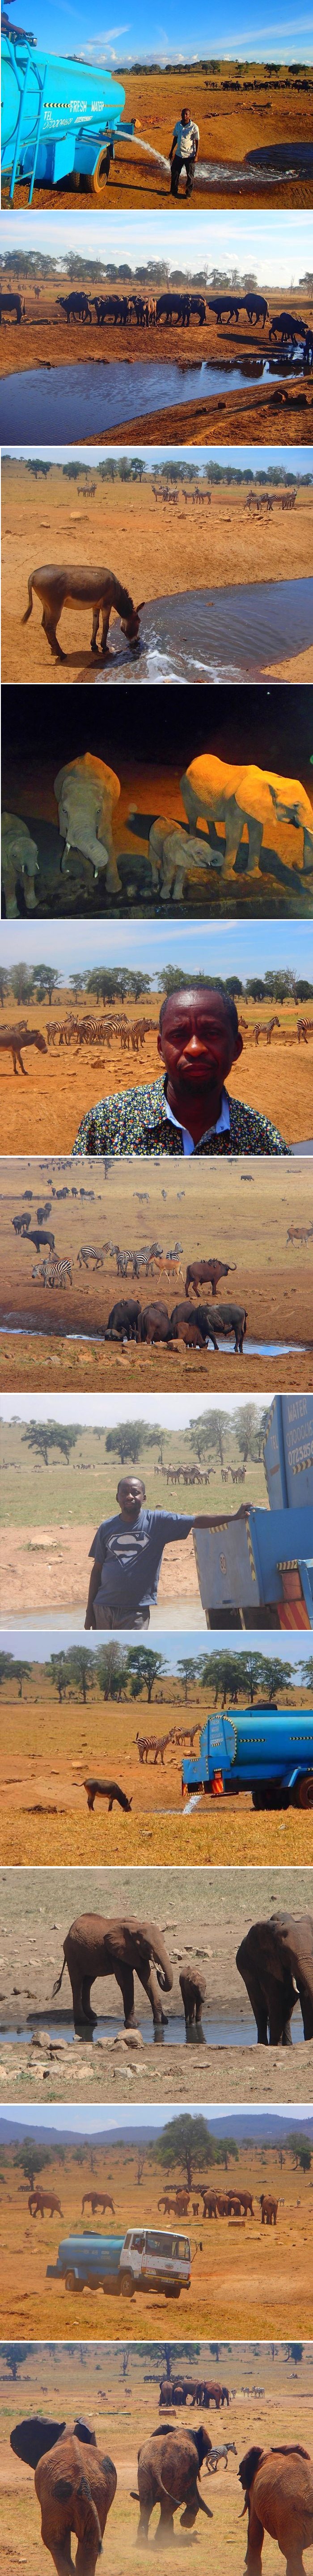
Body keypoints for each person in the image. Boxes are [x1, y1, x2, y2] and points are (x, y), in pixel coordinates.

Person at [73, 984, 290, 1158]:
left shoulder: (264, 1139)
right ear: (160, 1049)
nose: (195, 1049)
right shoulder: (107, 1122)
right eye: (178, 1036)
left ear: (236, 1048)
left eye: (212, 1034)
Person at [85, 1471, 214, 1630]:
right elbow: (97, 1570)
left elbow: (196, 1521)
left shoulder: (157, 1522)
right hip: (103, 1607)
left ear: (144, 1498)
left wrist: (235, 1517)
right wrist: (89, 1612)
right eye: (124, 1493)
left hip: (136, 1610)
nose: (129, 1497)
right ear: (117, 1498)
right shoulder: (106, 1527)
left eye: (135, 1493)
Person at [169, 105, 199, 197]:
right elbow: (176, 138)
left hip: (190, 155)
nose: (185, 116)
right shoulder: (178, 125)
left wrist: (196, 155)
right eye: (183, 114)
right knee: (175, 172)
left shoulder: (194, 127)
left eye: (187, 114)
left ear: (190, 116)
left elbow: (197, 141)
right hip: (179, 154)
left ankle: (189, 193)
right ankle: (173, 191)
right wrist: (171, 151)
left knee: (190, 175)